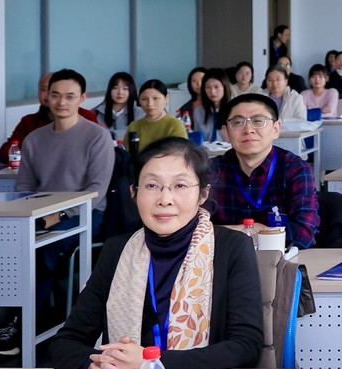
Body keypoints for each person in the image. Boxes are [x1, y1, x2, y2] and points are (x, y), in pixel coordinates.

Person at [46, 138, 261, 369]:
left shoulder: (231, 247)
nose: (165, 199)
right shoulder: (117, 251)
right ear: (133, 192)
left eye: (180, 185)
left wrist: (151, 365)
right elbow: (66, 342)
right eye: (151, 185)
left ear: (203, 193)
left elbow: (247, 346)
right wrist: (94, 366)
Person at [207, 92, 319, 249]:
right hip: (225, 260)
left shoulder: (295, 169)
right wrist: (252, 230)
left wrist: (227, 233)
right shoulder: (211, 171)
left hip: (280, 259)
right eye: (238, 122)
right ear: (226, 133)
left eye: (258, 121)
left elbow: (303, 235)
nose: (248, 129)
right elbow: (190, 230)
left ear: (276, 129)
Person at [18, 70, 115, 197]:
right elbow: (24, 187)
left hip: (86, 208)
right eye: (55, 95)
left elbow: (97, 190)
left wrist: (65, 210)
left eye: (70, 97)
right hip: (41, 206)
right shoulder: (33, 139)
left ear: (82, 98)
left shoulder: (98, 137)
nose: (61, 102)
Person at [0, 71, 98, 160]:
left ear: (82, 98)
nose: (61, 101)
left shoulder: (86, 117)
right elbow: (7, 151)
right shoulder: (29, 121)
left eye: (68, 96)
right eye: (44, 89)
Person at [126, 79, 188, 154]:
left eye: (155, 98)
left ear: (166, 98)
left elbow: (180, 155)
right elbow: (126, 155)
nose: (150, 104)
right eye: (144, 99)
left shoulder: (175, 125)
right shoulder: (134, 126)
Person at [184, 67, 232, 142]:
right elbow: (197, 139)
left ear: (224, 87)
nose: (212, 92)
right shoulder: (199, 111)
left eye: (216, 87)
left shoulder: (234, 110)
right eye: (208, 87)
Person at [96, 71, 139, 142]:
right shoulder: (97, 112)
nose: (120, 92)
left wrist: (110, 135)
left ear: (131, 91)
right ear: (109, 90)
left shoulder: (140, 113)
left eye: (125, 89)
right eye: (115, 88)